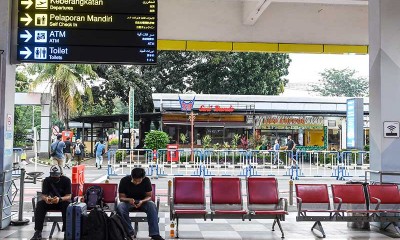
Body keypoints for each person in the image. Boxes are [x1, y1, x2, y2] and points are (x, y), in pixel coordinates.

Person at [117, 168, 164, 240]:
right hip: (129, 202)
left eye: (139, 181)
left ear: (143, 178)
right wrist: (129, 200)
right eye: (134, 180)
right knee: (120, 207)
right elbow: (121, 198)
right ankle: (129, 232)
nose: (136, 183)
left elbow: (149, 196)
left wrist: (142, 201)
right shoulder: (124, 180)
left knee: (152, 205)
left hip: (143, 202)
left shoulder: (146, 180)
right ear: (131, 177)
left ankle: (155, 234)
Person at [30, 165, 71, 240]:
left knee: (67, 206)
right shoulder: (47, 180)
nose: (55, 178)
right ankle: (38, 231)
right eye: (53, 177)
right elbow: (43, 195)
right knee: (40, 204)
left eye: (56, 177)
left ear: (61, 174)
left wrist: (60, 199)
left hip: (62, 201)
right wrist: (46, 199)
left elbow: (69, 196)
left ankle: (66, 231)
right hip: (51, 202)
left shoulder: (66, 180)